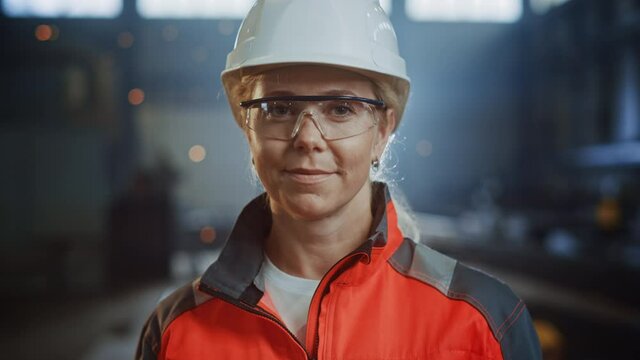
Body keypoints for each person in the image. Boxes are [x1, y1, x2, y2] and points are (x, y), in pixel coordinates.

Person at [136, 1, 542, 359]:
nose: (308, 138)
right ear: (247, 126)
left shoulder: (482, 322)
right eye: (278, 107)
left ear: (383, 130)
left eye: (341, 109)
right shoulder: (178, 331)